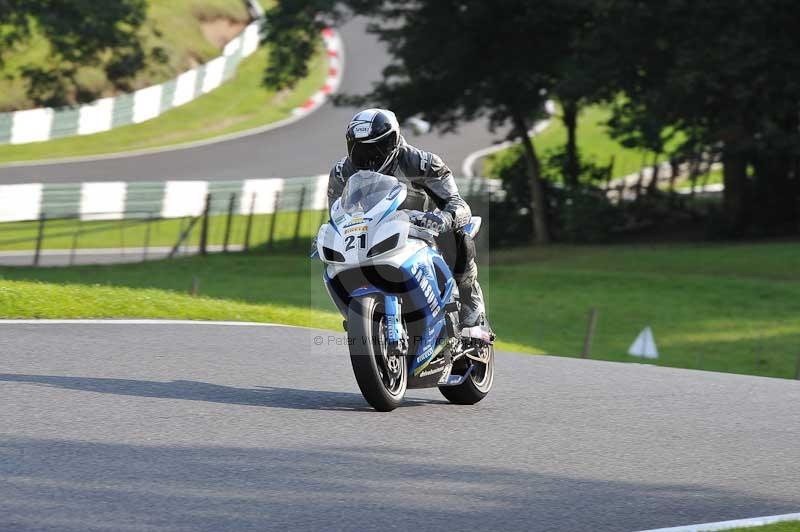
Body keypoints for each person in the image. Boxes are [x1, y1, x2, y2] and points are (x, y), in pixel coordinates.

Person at [327, 108, 491, 342]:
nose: (368, 158)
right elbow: (336, 214)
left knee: (457, 234)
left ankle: (471, 303)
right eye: (359, 150)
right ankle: (361, 314)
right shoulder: (342, 172)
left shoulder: (423, 163)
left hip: (425, 229)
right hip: (375, 231)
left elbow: (458, 204)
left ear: (393, 141)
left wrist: (443, 219)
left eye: (376, 148)